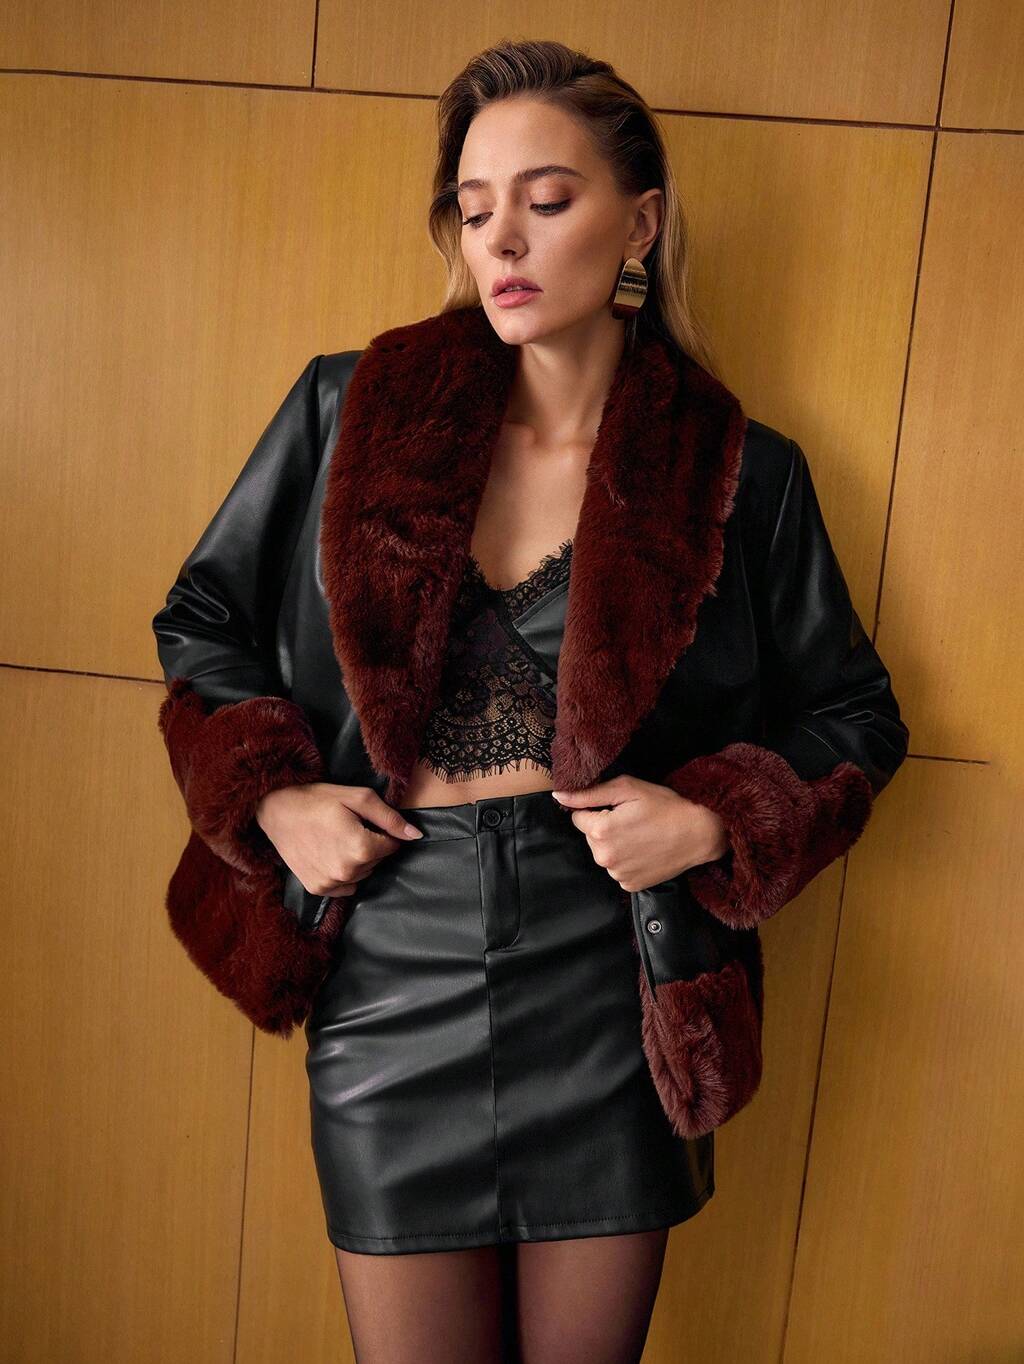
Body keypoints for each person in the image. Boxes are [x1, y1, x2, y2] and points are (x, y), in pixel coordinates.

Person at [152, 38, 909, 1364]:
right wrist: (272, 800)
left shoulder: (742, 473)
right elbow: (201, 621)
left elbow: (856, 715)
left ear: (640, 224)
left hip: (612, 973)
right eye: (474, 206)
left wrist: (714, 822)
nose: (502, 239)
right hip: (389, 960)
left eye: (547, 201)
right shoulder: (348, 411)